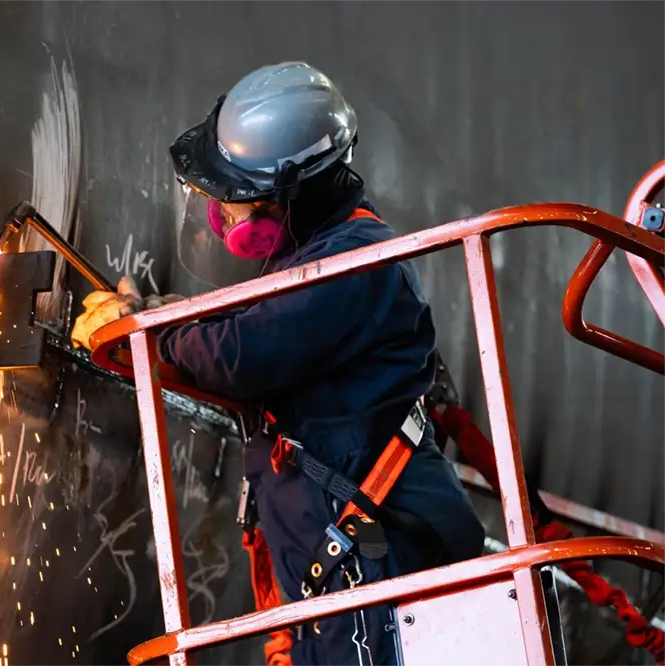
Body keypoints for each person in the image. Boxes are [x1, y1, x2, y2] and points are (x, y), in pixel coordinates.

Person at [71, 62, 484, 666]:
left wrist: (144, 336)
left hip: (383, 564)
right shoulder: (310, 261)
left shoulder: (356, 262)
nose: (222, 216)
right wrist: (179, 318)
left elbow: (242, 354)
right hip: (349, 575)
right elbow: (262, 331)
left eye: (236, 199)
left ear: (290, 195)